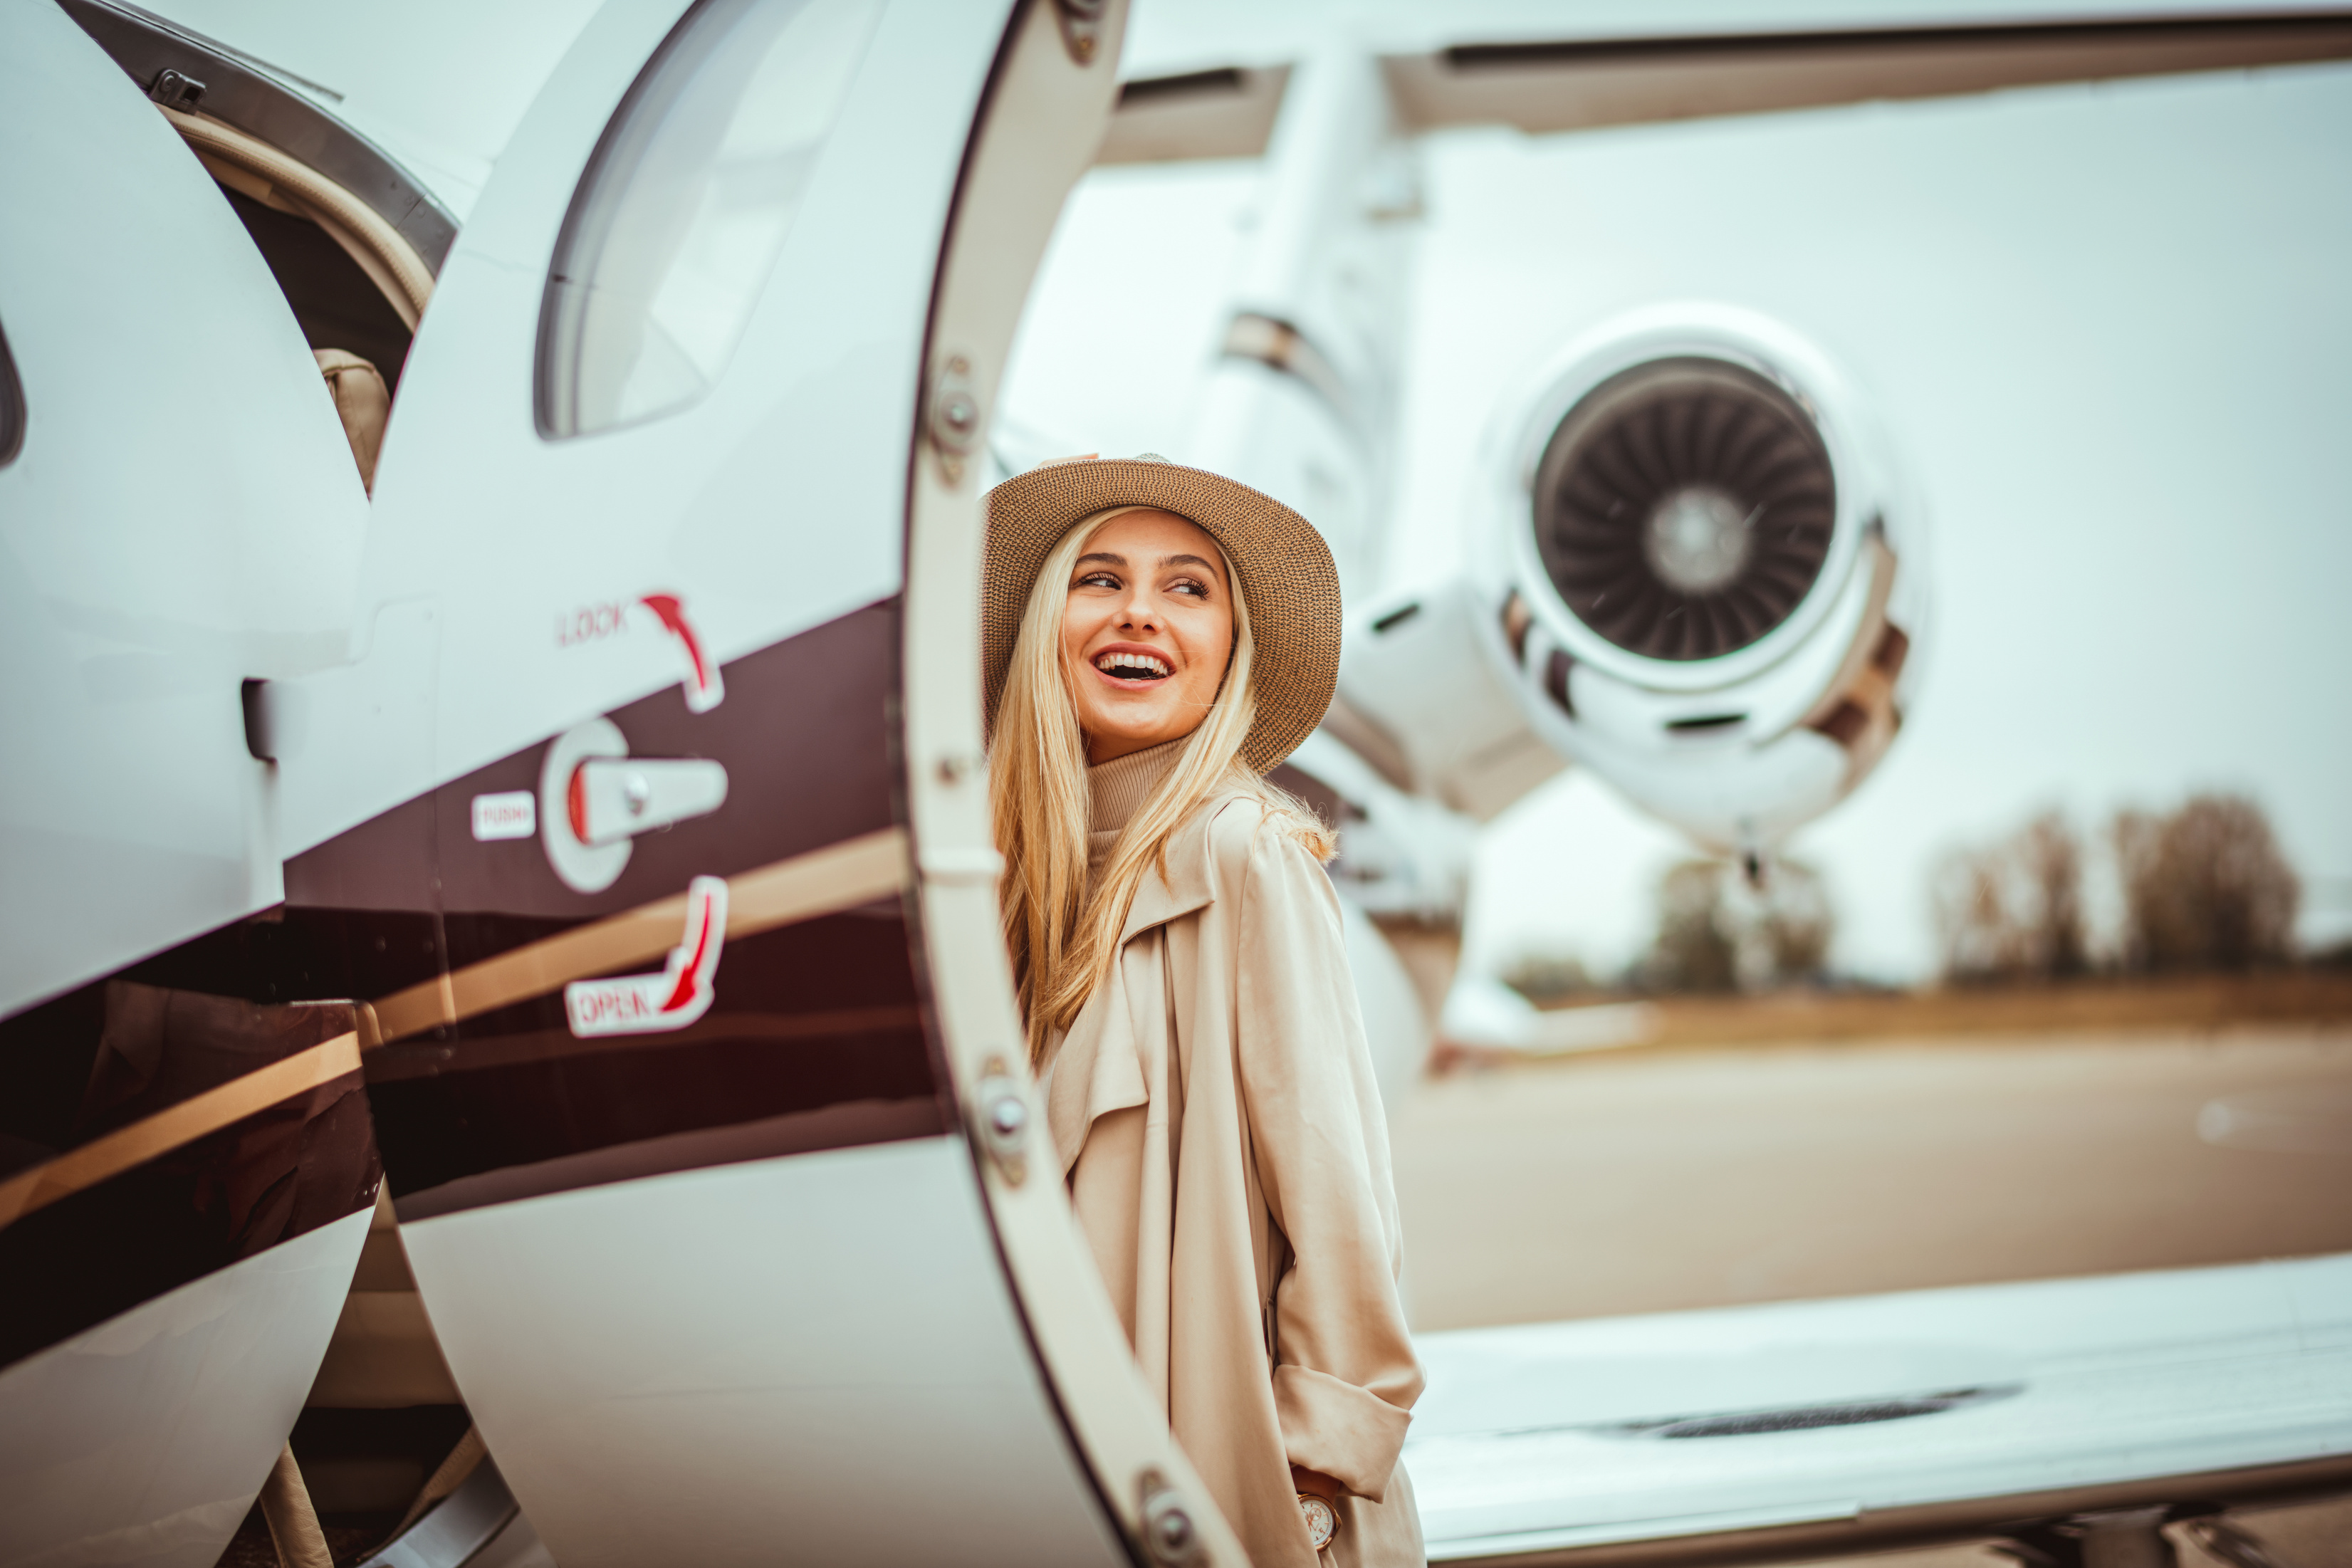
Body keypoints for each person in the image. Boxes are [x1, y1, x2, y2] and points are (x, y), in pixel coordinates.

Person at [982, 454, 1424, 1567]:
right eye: (1098, 578)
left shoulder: (1246, 855)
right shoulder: (997, 894)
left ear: (1229, 646)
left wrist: (1310, 1484)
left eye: (1188, 587)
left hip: (1238, 1497)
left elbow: (1341, 1204)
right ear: (1049, 623)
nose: (1139, 612)